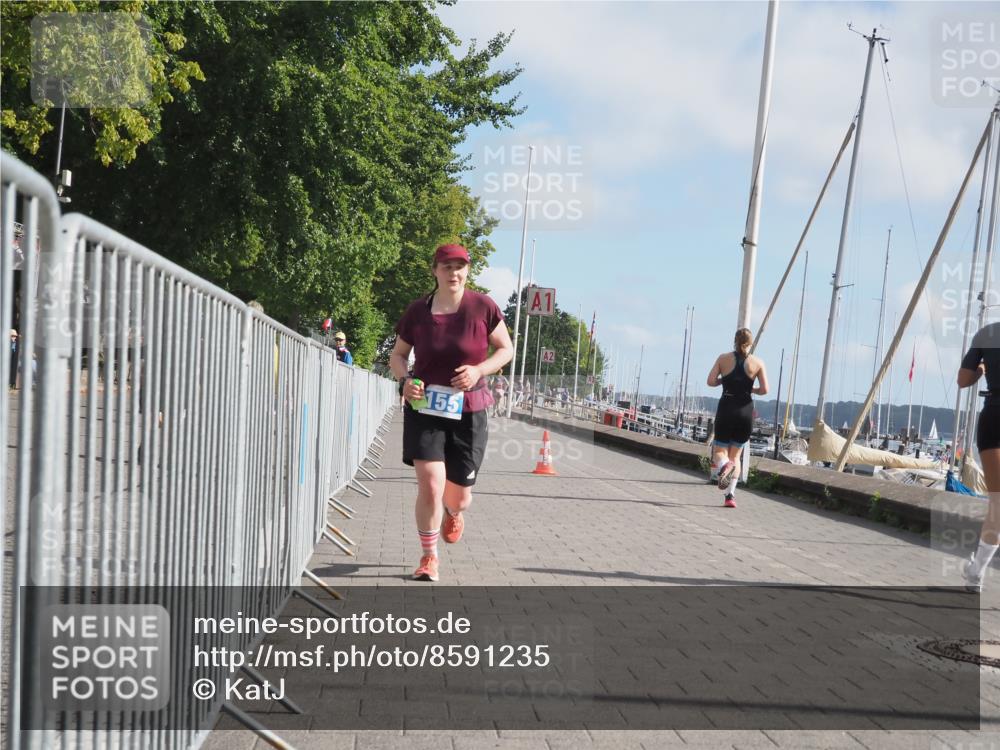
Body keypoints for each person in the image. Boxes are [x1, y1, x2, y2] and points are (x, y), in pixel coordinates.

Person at [389, 244, 514, 581]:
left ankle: (453, 512)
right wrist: (406, 380)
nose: (454, 273)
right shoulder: (418, 311)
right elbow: (398, 356)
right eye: (446, 266)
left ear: (468, 271)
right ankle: (429, 557)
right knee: (430, 484)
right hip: (424, 407)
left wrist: (479, 371)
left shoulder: (483, 307)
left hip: (469, 410)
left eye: (460, 267)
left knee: (459, 498)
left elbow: (506, 349)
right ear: (435, 271)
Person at [706, 328, 769, 508]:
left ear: (734, 340)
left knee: (720, 452)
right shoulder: (758, 362)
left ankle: (725, 466)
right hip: (745, 410)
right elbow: (765, 390)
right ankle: (730, 496)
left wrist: (723, 381)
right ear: (751, 343)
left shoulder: (723, 358)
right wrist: (751, 389)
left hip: (727, 407)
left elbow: (710, 381)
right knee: (737, 456)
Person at [959, 321, 1000, 593]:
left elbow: (963, 380)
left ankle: (976, 573)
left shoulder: (987, 333)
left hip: (995, 417)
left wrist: (983, 368)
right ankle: (975, 572)